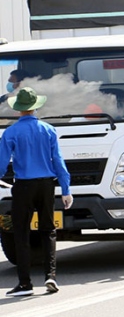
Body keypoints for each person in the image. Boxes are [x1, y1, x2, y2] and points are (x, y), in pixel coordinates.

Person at [0, 87, 73, 296]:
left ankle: (25, 284)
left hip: (23, 186)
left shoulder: (11, 132)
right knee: (48, 230)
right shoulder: (48, 129)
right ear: (35, 107)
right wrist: (66, 189)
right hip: (47, 185)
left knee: (21, 233)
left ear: (19, 110)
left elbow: (2, 162)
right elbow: (58, 161)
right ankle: (51, 276)